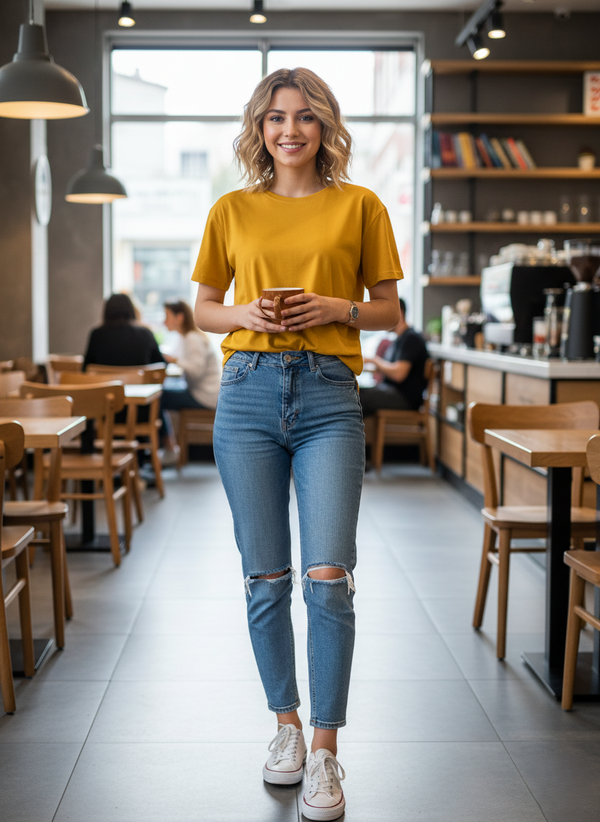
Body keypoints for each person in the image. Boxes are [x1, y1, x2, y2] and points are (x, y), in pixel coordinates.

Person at [192, 67, 402, 821]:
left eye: (306, 117)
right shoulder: (231, 210)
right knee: (266, 581)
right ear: (260, 128)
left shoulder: (361, 205)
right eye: (277, 117)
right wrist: (246, 308)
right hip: (246, 392)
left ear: (324, 128)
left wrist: (334, 305)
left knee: (328, 580)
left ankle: (325, 752)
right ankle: (283, 728)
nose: (291, 129)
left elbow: (389, 309)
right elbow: (205, 311)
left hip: (327, 395)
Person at [159, 299, 220, 465]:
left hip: (205, 395)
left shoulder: (192, 339)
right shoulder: (184, 338)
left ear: (180, 317)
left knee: (159, 398)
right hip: (201, 391)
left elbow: (195, 372)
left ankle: (169, 449)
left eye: (167, 316)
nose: (164, 321)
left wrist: (173, 360)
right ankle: (169, 447)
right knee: (162, 395)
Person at [359, 297, 429, 416]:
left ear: (398, 313)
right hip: (395, 393)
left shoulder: (411, 339)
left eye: (384, 316)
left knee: (357, 395)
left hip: (405, 398)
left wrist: (374, 360)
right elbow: (389, 369)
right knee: (356, 391)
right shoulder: (399, 339)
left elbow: (398, 374)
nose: (379, 321)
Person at [83, 293, 165, 369]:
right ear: (131, 310)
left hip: (106, 384)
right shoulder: (145, 334)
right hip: (138, 384)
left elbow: (86, 368)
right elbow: (162, 365)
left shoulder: (97, 335)